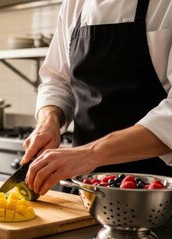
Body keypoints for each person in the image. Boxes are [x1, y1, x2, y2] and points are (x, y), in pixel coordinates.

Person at [21, 0, 172, 195]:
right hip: (82, 186)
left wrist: (91, 154)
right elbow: (57, 80)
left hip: (156, 192)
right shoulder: (74, 3)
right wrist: (48, 122)